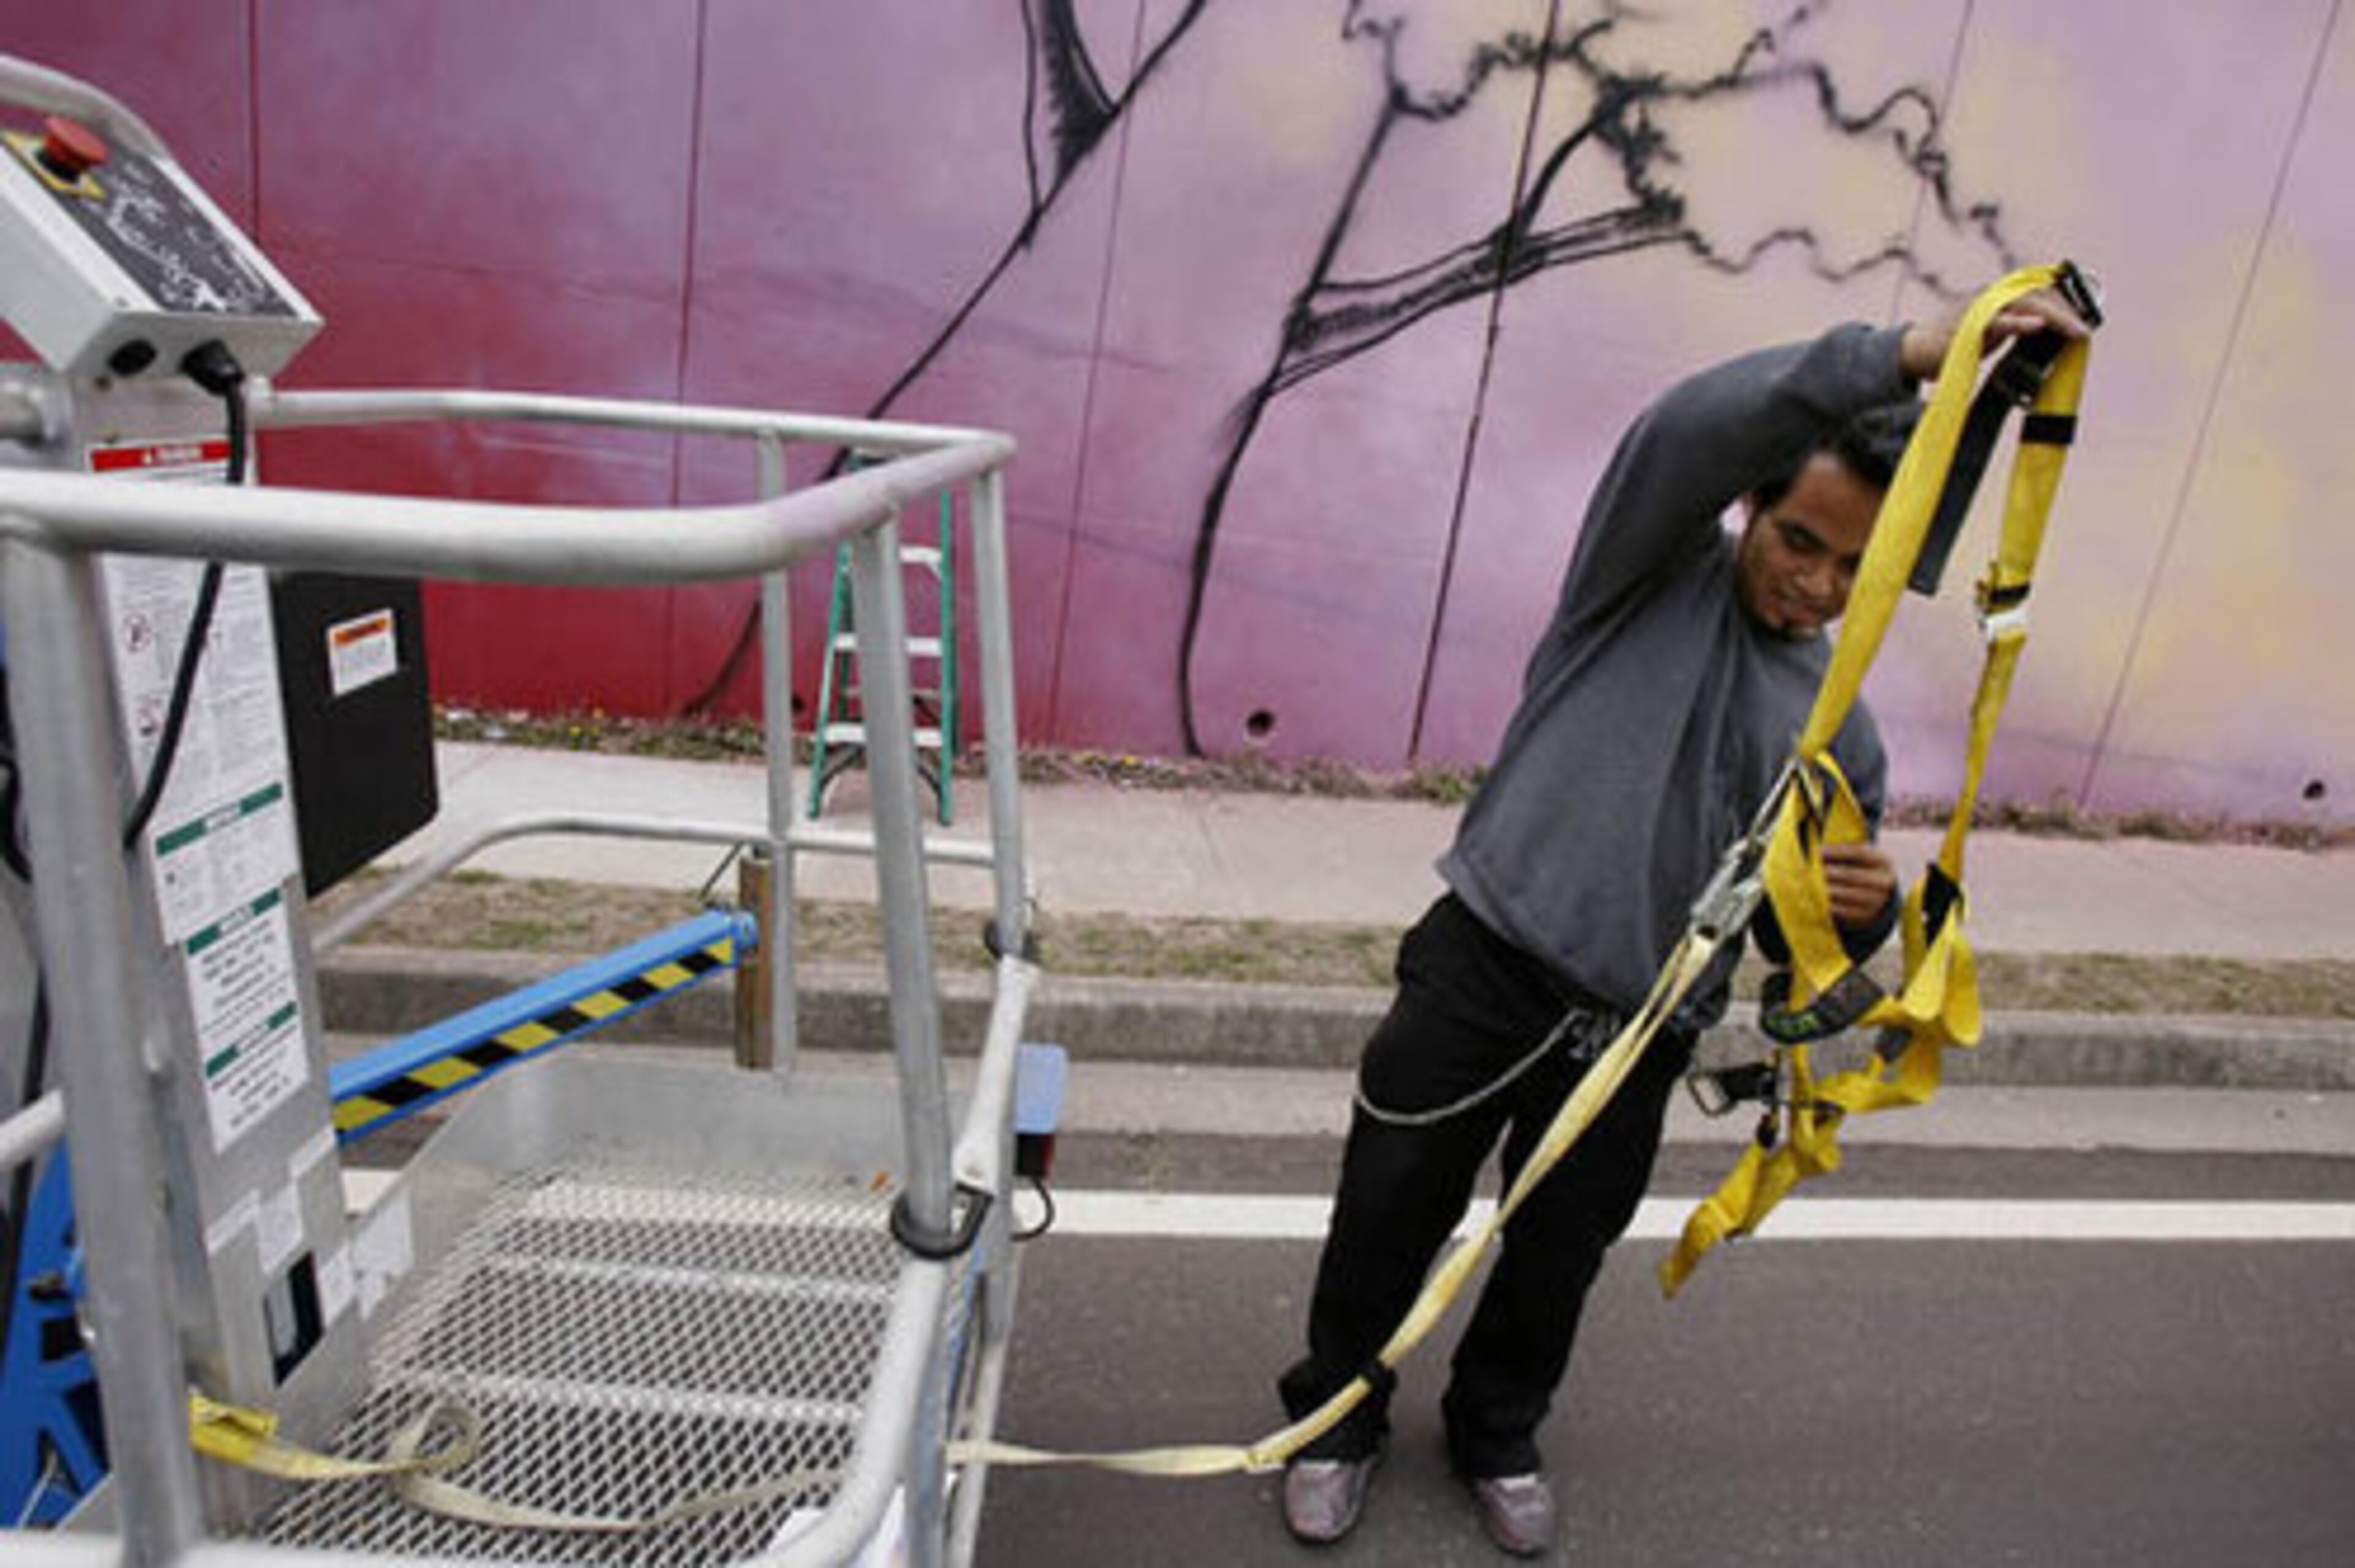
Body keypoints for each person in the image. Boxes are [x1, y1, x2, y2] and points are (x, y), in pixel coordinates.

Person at [1276, 289, 2092, 1557]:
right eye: (1800, 540)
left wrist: (1849, 917)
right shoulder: (1638, 571)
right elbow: (1692, 423)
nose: (1817, 584)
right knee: (1390, 1205)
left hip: (1638, 1030)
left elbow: (1783, 945)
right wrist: (1918, 353)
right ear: (1751, 506)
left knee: (1559, 1253)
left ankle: (1496, 1430)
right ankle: (1335, 1415)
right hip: (1485, 964)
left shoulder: (1843, 731)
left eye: (1852, 565)